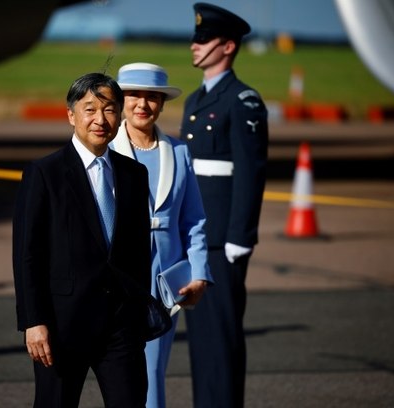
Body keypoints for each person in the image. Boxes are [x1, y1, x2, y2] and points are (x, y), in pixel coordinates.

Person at [13, 72, 153, 407]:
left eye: (109, 110)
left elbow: (138, 252)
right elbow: (27, 254)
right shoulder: (45, 173)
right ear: (71, 115)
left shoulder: (135, 174)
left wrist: (139, 315)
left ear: (120, 117)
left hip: (120, 325)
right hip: (63, 326)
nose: (100, 119)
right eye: (89, 110)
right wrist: (33, 321)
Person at [180, 3, 269, 407]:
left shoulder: (242, 101)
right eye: (196, 38)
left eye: (205, 39)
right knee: (201, 341)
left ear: (228, 46)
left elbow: (251, 174)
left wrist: (240, 236)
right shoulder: (195, 99)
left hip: (222, 241)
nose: (195, 46)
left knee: (222, 336)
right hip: (198, 235)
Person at [110, 62, 212, 408]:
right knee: (119, 376)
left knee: (153, 374)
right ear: (121, 100)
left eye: (152, 96)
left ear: (163, 103)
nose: (143, 104)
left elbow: (194, 220)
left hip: (165, 285)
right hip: (117, 282)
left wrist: (199, 272)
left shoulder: (179, 152)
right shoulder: (104, 152)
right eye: (134, 95)